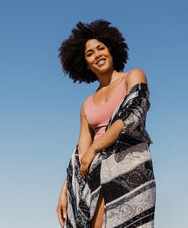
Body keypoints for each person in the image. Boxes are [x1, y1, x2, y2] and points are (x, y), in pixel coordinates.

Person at [56, 20, 156, 228]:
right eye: (90, 53)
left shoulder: (133, 77)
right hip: (95, 174)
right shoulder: (87, 105)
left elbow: (132, 115)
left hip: (129, 168)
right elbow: (82, 156)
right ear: (85, 63)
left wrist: (96, 147)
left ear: (111, 50)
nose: (97, 54)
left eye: (101, 48)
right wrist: (66, 190)